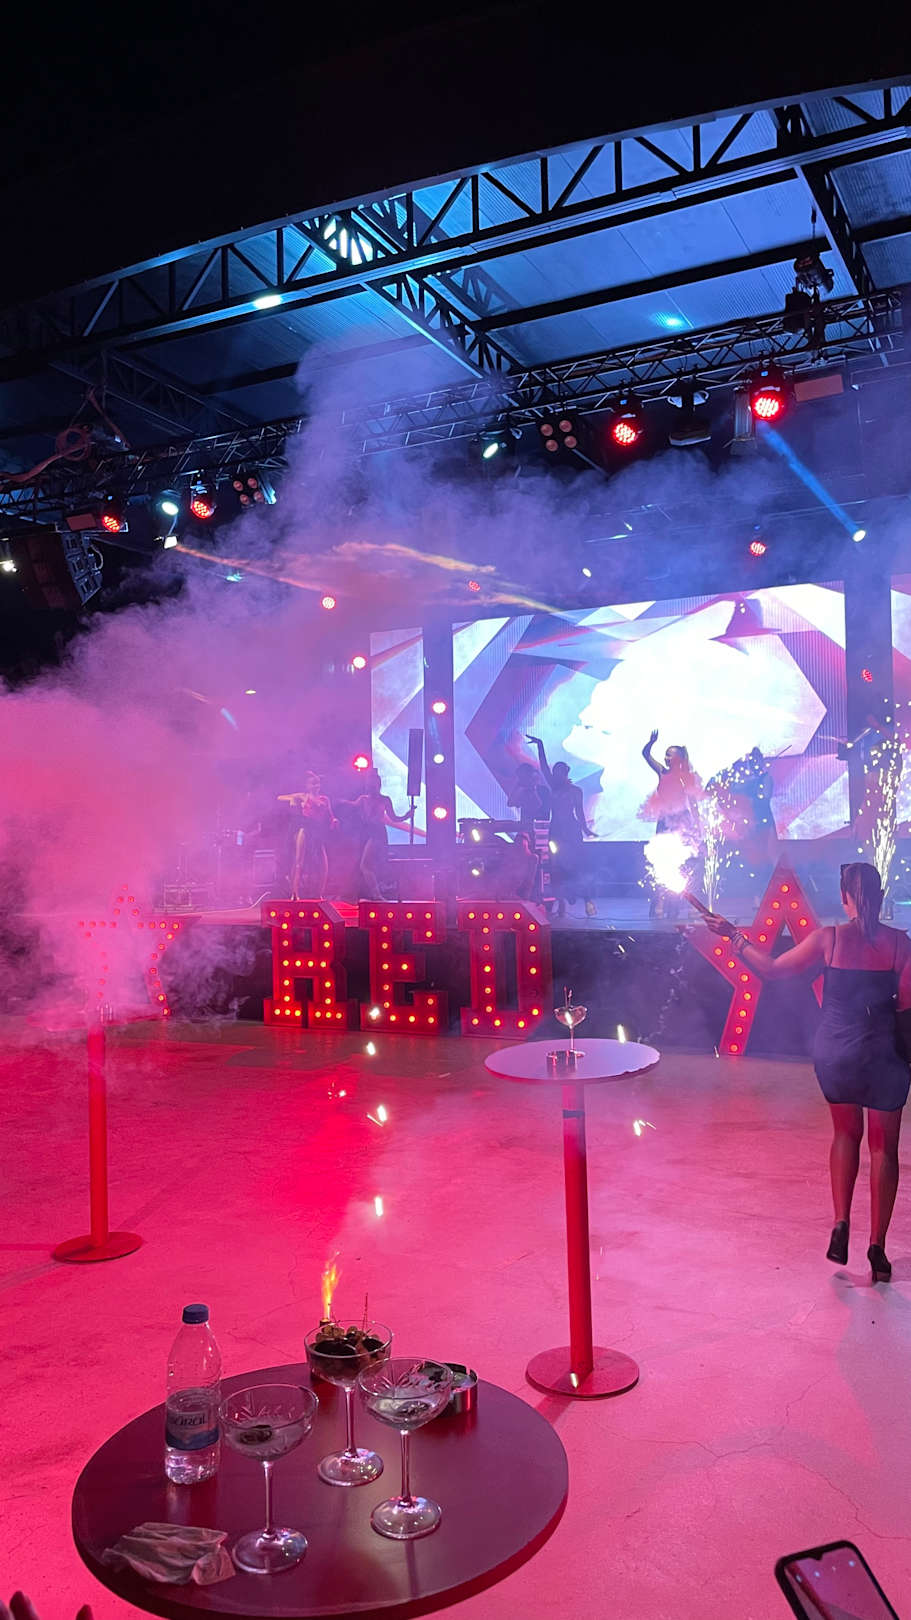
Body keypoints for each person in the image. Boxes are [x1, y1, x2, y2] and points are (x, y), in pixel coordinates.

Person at [706, 862, 911, 1282]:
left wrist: (734, 938)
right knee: (883, 1149)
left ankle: (840, 1223)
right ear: (879, 895)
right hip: (883, 1054)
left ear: (844, 897)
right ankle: (877, 1247)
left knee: (845, 1135)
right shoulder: (899, 944)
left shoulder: (829, 939)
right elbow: (907, 1006)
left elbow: (772, 970)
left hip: (837, 1052)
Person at [526, 736, 595, 918]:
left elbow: (579, 813)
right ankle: (560, 902)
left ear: (565, 774)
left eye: (559, 773)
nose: (556, 775)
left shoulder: (576, 791)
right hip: (556, 832)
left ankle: (587, 900)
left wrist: (585, 829)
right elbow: (543, 766)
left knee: (577, 867)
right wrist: (540, 745)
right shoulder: (553, 788)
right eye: (554, 773)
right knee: (556, 867)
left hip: (572, 833)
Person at [352, 769, 411, 899]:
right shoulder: (363, 799)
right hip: (366, 834)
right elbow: (351, 808)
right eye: (368, 784)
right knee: (368, 866)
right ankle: (375, 894)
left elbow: (394, 818)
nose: (370, 787)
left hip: (377, 834)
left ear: (378, 785)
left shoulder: (384, 799)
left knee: (365, 865)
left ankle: (377, 895)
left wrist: (407, 815)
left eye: (372, 784)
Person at [279, 772, 336, 899]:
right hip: (305, 827)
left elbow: (330, 815)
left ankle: (319, 894)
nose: (316, 786)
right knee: (299, 860)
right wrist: (292, 799)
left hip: (318, 830)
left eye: (318, 783)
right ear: (307, 786)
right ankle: (295, 893)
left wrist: (334, 820)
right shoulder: (303, 796)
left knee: (323, 863)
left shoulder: (325, 799)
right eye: (313, 783)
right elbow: (280, 797)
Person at [506, 761, 550, 831]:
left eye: (522, 777)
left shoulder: (543, 790)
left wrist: (533, 789)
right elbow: (510, 803)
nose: (521, 780)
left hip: (540, 829)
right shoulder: (523, 790)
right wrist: (517, 787)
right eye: (520, 778)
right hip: (525, 828)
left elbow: (540, 807)